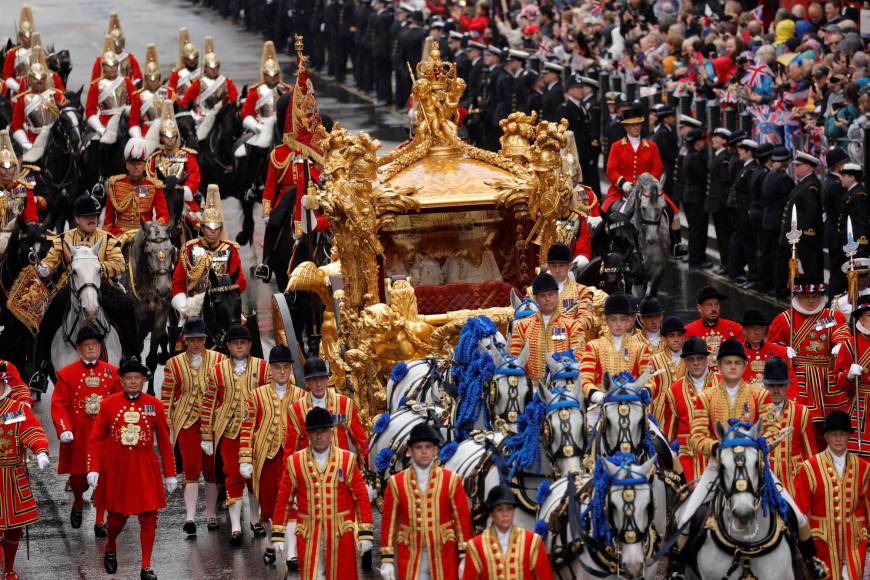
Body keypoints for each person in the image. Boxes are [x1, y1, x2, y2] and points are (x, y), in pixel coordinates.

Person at [87, 358, 176, 580]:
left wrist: (171, 473)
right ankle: (110, 545)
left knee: (149, 516)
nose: (133, 382)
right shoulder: (108, 404)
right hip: (117, 466)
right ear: (122, 381)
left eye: (137, 378)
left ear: (144, 381)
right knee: (117, 517)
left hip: (145, 465)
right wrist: (93, 468)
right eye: (128, 378)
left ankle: (146, 566)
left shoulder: (155, 405)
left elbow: (164, 441)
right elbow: (96, 439)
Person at [270, 407, 374, 580]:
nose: (319, 436)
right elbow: (284, 499)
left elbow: (361, 497)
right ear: (308, 434)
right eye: (314, 432)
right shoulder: (295, 461)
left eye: (324, 431)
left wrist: (365, 532)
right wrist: (278, 533)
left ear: (331, 432)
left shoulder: (347, 459)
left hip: (341, 533)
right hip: (310, 534)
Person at [37, 195, 138, 359]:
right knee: (49, 315)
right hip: (71, 285)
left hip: (101, 284)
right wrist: (44, 269)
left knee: (127, 306)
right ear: (77, 219)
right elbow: (50, 262)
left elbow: (119, 264)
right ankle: (40, 367)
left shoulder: (107, 238)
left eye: (94, 216)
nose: (92, 219)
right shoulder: (63, 239)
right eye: (87, 216)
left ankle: (133, 357)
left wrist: (97, 269)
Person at [200, 323, 269, 545]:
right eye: (235, 343)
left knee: (255, 477)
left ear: (250, 345)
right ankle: (236, 527)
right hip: (229, 432)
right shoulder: (216, 371)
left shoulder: (263, 367)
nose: (239, 346)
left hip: (256, 432)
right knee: (232, 475)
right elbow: (208, 403)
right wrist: (206, 435)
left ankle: (255, 520)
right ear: (228, 346)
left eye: (243, 343)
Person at [380, 423, 473, 580]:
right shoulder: (396, 482)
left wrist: (464, 557)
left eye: (428, 447)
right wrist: (387, 559)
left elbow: (462, 521)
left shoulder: (451, 480)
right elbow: (388, 523)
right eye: (418, 447)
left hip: (443, 554)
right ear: (409, 451)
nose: (424, 452)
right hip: (410, 554)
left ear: (435, 450)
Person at [51, 325, 120, 535]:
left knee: (105, 478)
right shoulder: (66, 374)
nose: (91, 349)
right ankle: (79, 501)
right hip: (79, 435)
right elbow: (58, 404)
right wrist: (64, 428)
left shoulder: (113, 373)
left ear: (100, 348)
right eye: (87, 346)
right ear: (79, 349)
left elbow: (120, 402)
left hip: (103, 436)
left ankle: (100, 520)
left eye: (94, 345)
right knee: (78, 480)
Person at [239, 345, 305, 564]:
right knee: (267, 505)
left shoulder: (301, 396)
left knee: (292, 503)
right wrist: (246, 458)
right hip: (265, 458)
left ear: (291, 369)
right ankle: (271, 541)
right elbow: (247, 427)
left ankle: (292, 552)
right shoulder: (256, 395)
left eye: (286, 367)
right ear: (270, 370)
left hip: (293, 459)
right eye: (277, 368)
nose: (282, 372)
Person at [160, 317, 224, 535]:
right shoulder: (173, 363)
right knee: (191, 466)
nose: (196, 343)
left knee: (211, 468)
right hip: (186, 419)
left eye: (199, 339)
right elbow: (167, 395)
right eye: (192, 340)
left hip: (213, 420)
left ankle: (211, 514)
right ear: (185, 340)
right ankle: (189, 516)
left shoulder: (219, 360)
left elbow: (227, 391)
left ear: (205, 339)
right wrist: (166, 424)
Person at [794, 410, 869, 580]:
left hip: (854, 542)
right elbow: (801, 511)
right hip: (822, 541)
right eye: (834, 434)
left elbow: (868, 507)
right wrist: (802, 544)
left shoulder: (863, 468)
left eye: (842, 434)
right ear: (826, 437)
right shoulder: (809, 467)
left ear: (848, 436)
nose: (838, 439)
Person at [768, 275, 851, 417]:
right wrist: (783, 351)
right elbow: (771, 346)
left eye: (815, 296)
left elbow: (841, 330)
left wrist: (841, 344)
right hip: (801, 379)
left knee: (835, 420)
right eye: (806, 296)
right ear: (798, 296)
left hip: (828, 378)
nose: (811, 300)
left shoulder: (832, 316)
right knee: (803, 418)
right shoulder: (785, 319)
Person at [0, 362, 50, 580]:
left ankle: (8, 568)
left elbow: (31, 430)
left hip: (12, 475)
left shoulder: (15, 409)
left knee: (14, 527)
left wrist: (40, 450)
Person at [170, 185, 247, 317]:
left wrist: (224, 294)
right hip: (194, 307)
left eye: (216, 227)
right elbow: (177, 283)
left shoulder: (229, 249)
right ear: (202, 228)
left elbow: (241, 281)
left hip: (224, 305)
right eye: (209, 227)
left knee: (244, 330)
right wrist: (185, 308)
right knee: (181, 334)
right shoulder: (189, 249)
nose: (213, 230)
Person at [461, 485, 553, 579]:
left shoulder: (533, 542)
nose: (505, 514)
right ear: (491, 513)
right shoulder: (475, 546)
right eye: (499, 509)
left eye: (509, 508)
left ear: (514, 511)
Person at [660, 336, 719, 481]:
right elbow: (669, 432)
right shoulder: (674, 390)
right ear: (685, 361)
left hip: (718, 457)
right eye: (691, 359)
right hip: (687, 460)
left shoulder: (723, 384)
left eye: (700, 358)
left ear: (707, 359)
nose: (696, 363)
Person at [509, 273, 586, 384]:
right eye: (543, 296)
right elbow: (515, 359)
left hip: (564, 387)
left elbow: (579, 356)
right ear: (535, 298)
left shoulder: (573, 325)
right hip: (533, 388)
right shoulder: (522, 326)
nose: (548, 299)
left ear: (557, 295)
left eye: (551, 294)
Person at [284, 357, 368, 457]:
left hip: (340, 467)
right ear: (306, 382)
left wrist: (368, 463)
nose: (319, 384)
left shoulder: (344, 403)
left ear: (328, 379)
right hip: (311, 470)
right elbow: (291, 449)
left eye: (322, 378)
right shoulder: (296, 409)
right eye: (314, 379)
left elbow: (360, 441)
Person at [763, 356, 818, 496]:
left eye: (780, 385)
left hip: (794, 482)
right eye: (771, 385)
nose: (776, 390)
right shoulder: (755, 412)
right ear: (764, 385)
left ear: (788, 385)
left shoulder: (802, 412)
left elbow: (810, 454)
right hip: (762, 480)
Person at [581, 293, 651, 404]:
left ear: (629, 320)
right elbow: (585, 379)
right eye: (613, 320)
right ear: (606, 320)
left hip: (632, 404)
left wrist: (642, 392)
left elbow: (649, 380)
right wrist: (599, 396)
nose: (618, 324)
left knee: (652, 422)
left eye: (622, 320)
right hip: (600, 406)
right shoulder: (593, 347)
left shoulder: (641, 348)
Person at [603, 106, 673, 216]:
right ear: (626, 127)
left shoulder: (651, 146)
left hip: (648, 191)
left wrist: (648, 184)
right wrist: (623, 183)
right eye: (632, 125)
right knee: (603, 215)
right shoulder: (616, 146)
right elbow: (611, 170)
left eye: (638, 124)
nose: (636, 127)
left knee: (673, 212)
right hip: (621, 192)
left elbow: (657, 168)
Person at [145, 101, 202, 231]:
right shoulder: (154, 158)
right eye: (166, 136)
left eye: (173, 136)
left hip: (183, 198)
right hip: (161, 198)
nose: (170, 139)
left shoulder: (187, 155)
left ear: (177, 136)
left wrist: (185, 190)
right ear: (161, 137)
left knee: (201, 226)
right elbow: (150, 178)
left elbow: (194, 176)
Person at [103, 138, 169, 243]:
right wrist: (105, 239)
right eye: (133, 163)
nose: (136, 167)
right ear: (127, 165)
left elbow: (164, 216)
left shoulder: (154, 186)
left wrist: (154, 228)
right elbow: (108, 219)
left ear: (144, 166)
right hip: (120, 234)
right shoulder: (115, 184)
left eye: (139, 164)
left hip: (145, 234)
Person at [10, 47, 68, 152]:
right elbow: (16, 125)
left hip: (55, 139)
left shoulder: (56, 95)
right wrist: (25, 143)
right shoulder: (22, 100)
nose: (39, 82)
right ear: (29, 80)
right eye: (35, 79)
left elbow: (67, 114)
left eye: (42, 78)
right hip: (34, 142)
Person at [85, 35, 142, 142]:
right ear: (104, 67)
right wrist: (100, 128)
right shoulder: (95, 86)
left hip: (125, 121)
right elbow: (90, 111)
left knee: (138, 143)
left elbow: (136, 101)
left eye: (115, 65)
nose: (112, 69)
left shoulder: (127, 82)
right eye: (109, 66)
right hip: (105, 124)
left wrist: (130, 114)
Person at [833, 299, 870, 456]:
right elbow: (839, 382)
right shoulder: (850, 345)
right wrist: (848, 376)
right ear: (861, 318)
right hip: (860, 409)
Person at [177, 37, 239, 124]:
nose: (214, 70)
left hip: (221, 117)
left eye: (216, 67)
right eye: (211, 68)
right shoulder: (198, 84)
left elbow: (234, 100)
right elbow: (185, 103)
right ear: (205, 68)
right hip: (202, 119)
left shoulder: (227, 82)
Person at [782, 152, 824, 279]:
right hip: (800, 235)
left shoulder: (811, 185)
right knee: (807, 267)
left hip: (807, 237)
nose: (795, 168)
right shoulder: (804, 183)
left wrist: (807, 234)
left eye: (799, 165)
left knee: (812, 268)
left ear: (808, 167)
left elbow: (811, 214)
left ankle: (815, 295)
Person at [760, 147, 794, 296]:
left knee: (769, 254)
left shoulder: (770, 175)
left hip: (768, 218)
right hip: (778, 221)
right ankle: (780, 287)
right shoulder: (784, 179)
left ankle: (768, 284)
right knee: (780, 256)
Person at [726, 139, 760, 283]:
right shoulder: (745, 167)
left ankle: (753, 276)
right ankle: (743, 273)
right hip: (740, 213)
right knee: (745, 245)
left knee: (750, 247)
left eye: (742, 150)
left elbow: (749, 194)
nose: (739, 152)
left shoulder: (752, 169)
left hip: (746, 214)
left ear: (749, 152)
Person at [683, 286, 744, 366]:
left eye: (717, 304)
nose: (714, 309)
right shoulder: (687, 331)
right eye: (709, 305)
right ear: (699, 308)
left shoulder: (735, 329)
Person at [541, 243, 595, 330]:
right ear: (548, 266)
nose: (557, 270)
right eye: (554, 266)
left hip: (571, 339)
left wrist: (563, 327)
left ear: (569, 266)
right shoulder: (534, 291)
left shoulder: (582, 292)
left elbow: (587, 319)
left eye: (561, 265)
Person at [647, 315, 687, 423]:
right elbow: (649, 391)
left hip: (685, 417)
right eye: (671, 336)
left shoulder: (691, 360)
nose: (676, 339)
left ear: (683, 337)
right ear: (664, 338)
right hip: (660, 417)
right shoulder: (654, 361)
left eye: (679, 335)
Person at [741, 309, 793, 389]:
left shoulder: (780, 353)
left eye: (760, 328)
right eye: (752, 328)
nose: (757, 332)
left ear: (765, 330)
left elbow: (790, 382)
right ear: (744, 330)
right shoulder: (736, 353)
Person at [0, 129, 40, 230]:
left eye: (10, 167)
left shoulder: (24, 188)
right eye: (3, 167)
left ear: (15, 167)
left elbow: (31, 216)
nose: (7, 171)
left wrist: (31, 226)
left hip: (16, 237)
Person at [134, 44, 175, 137]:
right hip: (146, 133)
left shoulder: (169, 92)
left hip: (166, 132)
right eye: (150, 79)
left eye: (155, 78)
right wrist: (138, 136)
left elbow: (175, 114)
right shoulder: (138, 95)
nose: (153, 82)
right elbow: (134, 120)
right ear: (146, 79)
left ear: (159, 78)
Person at [88, 12, 142, 84]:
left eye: (120, 42)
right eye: (115, 43)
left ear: (123, 42)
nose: (118, 46)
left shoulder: (130, 59)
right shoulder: (100, 60)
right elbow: (94, 81)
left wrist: (132, 86)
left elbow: (138, 79)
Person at [682, 127, 709, 269]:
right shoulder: (697, 157)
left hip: (689, 195)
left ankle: (695, 258)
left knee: (694, 228)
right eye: (701, 140)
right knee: (698, 228)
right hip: (696, 196)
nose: (704, 142)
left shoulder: (689, 154)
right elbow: (702, 178)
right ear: (696, 142)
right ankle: (697, 259)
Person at [1, 6, 37, 96]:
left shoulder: (39, 51)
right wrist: (18, 88)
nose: (28, 39)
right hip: (18, 88)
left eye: (30, 35)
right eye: (25, 36)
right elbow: (7, 75)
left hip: (38, 86)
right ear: (20, 36)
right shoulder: (12, 54)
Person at [839, 163, 868, 259]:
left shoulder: (859, 194)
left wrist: (860, 244)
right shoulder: (851, 193)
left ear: (852, 177)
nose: (841, 178)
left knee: (857, 272)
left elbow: (861, 222)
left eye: (843, 176)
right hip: (848, 240)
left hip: (855, 243)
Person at [167, 27, 200, 96]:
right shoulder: (176, 75)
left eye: (194, 59)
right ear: (184, 60)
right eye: (189, 60)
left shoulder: (202, 72)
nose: (192, 62)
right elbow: (170, 94)